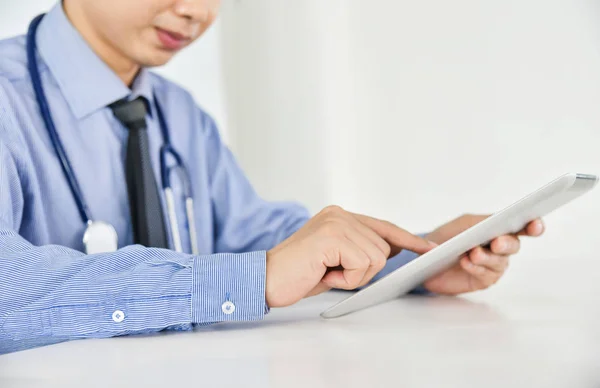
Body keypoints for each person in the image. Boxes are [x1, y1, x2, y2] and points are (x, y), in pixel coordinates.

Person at [0, 0, 544, 355]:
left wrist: (416, 262)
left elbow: (253, 235)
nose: (195, 12)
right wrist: (252, 278)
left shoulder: (178, 113)